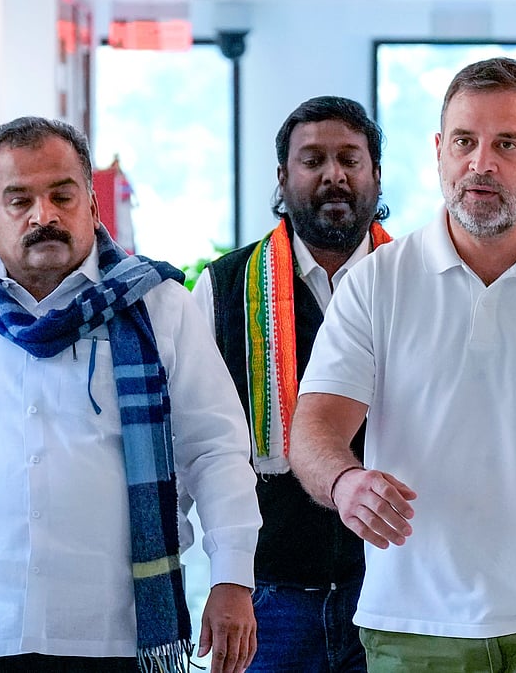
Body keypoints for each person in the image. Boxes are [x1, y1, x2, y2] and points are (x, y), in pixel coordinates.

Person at [287, 57, 516, 671]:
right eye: (464, 141)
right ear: (439, 151)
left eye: (506, 144)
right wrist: (343, 480)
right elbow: (314, 428)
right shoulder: (376, 285)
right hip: (411, 627)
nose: (480, 163)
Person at [0, 117, 261, 673]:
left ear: (92, 203)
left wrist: (232, 577)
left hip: (109, 631)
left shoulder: (160, 309)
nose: (44, 215)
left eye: (61, 194)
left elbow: (215, 449)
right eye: (20, 200)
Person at [191, 96, 392, 673]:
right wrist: (224, 578)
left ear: (376, 174)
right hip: (266, 598)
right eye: (313, 160)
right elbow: (200, 441)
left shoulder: (418, 283)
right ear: (283, 177)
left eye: (350, 159)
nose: (334, 175)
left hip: (392, 591)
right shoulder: (226, 288)